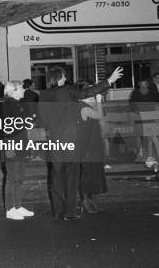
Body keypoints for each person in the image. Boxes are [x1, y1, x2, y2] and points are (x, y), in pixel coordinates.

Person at [38, 65, 123, 220]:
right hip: (71, 139)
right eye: (64, 75)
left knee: (56, 177)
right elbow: (87, 92)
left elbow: (42, 120)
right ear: (59, 77)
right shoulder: (68, 90)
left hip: (54, 140)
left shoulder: (43, 94)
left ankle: (58, 212)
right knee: (71, 176)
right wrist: (109, 80)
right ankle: (69, 213)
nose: (65, 78)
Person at [1, 81, 34, 220]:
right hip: (12, 145)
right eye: (20, 88)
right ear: (13, 91)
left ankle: (18, 206)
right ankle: (10, 209)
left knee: (19, 177)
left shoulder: (18, 104)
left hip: (21, 144)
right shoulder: (7, 105)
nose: (23, 90)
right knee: (12, 177)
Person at [76, 81, 107, 214]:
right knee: (87, 173)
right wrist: (98, 102)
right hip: (86, 144)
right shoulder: (82, 106)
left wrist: (96, 102)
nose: (93, 94)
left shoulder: (89, 105)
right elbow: (99, 116)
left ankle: (92, 198)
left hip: (94, 142)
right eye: (90, 92)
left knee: (94, 171)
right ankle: (84, 200)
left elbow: (101, 119)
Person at [129, 79, 159, 163]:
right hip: (139, 117)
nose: (143, 86)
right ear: (139, 85)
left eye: (145, 85)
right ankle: (140, 153)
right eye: (141, 85)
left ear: (148, 85)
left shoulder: (153, 92)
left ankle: (149, 156)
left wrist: (157, 108)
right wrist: (135, 110)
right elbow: (132, 103)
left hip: (150, 116)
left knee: (151, 136)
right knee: (140, 136)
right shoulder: (135, 92)